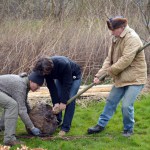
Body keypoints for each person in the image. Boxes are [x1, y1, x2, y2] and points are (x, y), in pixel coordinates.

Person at [87, 16, 147, 137]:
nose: (111, 32)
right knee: (111, 101)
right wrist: (99, 75)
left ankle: (128, 128)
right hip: (121, 76)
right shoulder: (116, 38)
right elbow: (110, 59)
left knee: (126, 105)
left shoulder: (132, 38)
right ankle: (101, 125)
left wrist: (108, 73)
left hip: (135, 78)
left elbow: (125, 60)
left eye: (113, 29)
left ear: (121, 28)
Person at [32, 56, 81, 136]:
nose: (44, 75)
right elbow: (51, 87)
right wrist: (56, 103)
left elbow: (67, 84)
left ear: (50, 68)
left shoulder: (63, 64)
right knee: (57, 96)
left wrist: (63, 102)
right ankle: (57, 121)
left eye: (45, 73)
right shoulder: (43, 69)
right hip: (60, 77)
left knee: (70, 99)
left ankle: (65, 128)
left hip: (74, 76)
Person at [0, 71, 44, 146]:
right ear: (32, 81)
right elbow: (21, 110)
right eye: (38, 85)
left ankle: (1, 126)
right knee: (12, 105)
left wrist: (31, 114)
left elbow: (24, 102)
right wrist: (32, 127)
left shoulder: (25, 84)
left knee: (12, 104)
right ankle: (9, 139)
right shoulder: (20, 85)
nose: (38, 88)